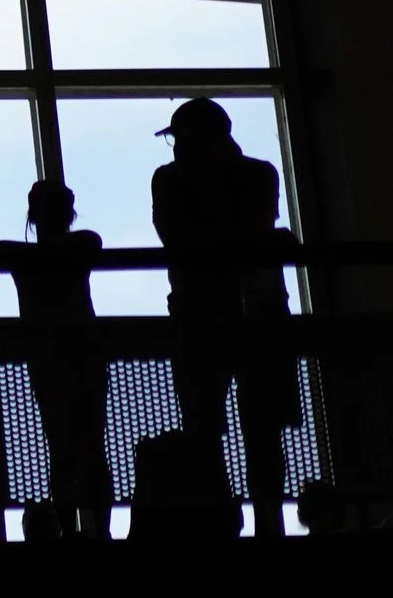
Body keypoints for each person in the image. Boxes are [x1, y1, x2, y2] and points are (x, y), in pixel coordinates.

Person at [152, 98, 299, 539]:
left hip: (200, 316)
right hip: (260, 313)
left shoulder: (170, 181)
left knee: (206, 429)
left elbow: (178, 240)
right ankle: (268, 523)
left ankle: (219, 524)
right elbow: (255, 235)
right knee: (262, 430)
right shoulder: (259, 175)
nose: (177, 148)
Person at [0, 182, 109, 538]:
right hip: (84, 353)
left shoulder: (25, 261)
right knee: (92, 448)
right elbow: (91, 242)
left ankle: (69, 529)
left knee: (61, 449)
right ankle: (100, 530)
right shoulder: (78, 249)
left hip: (47, 360)